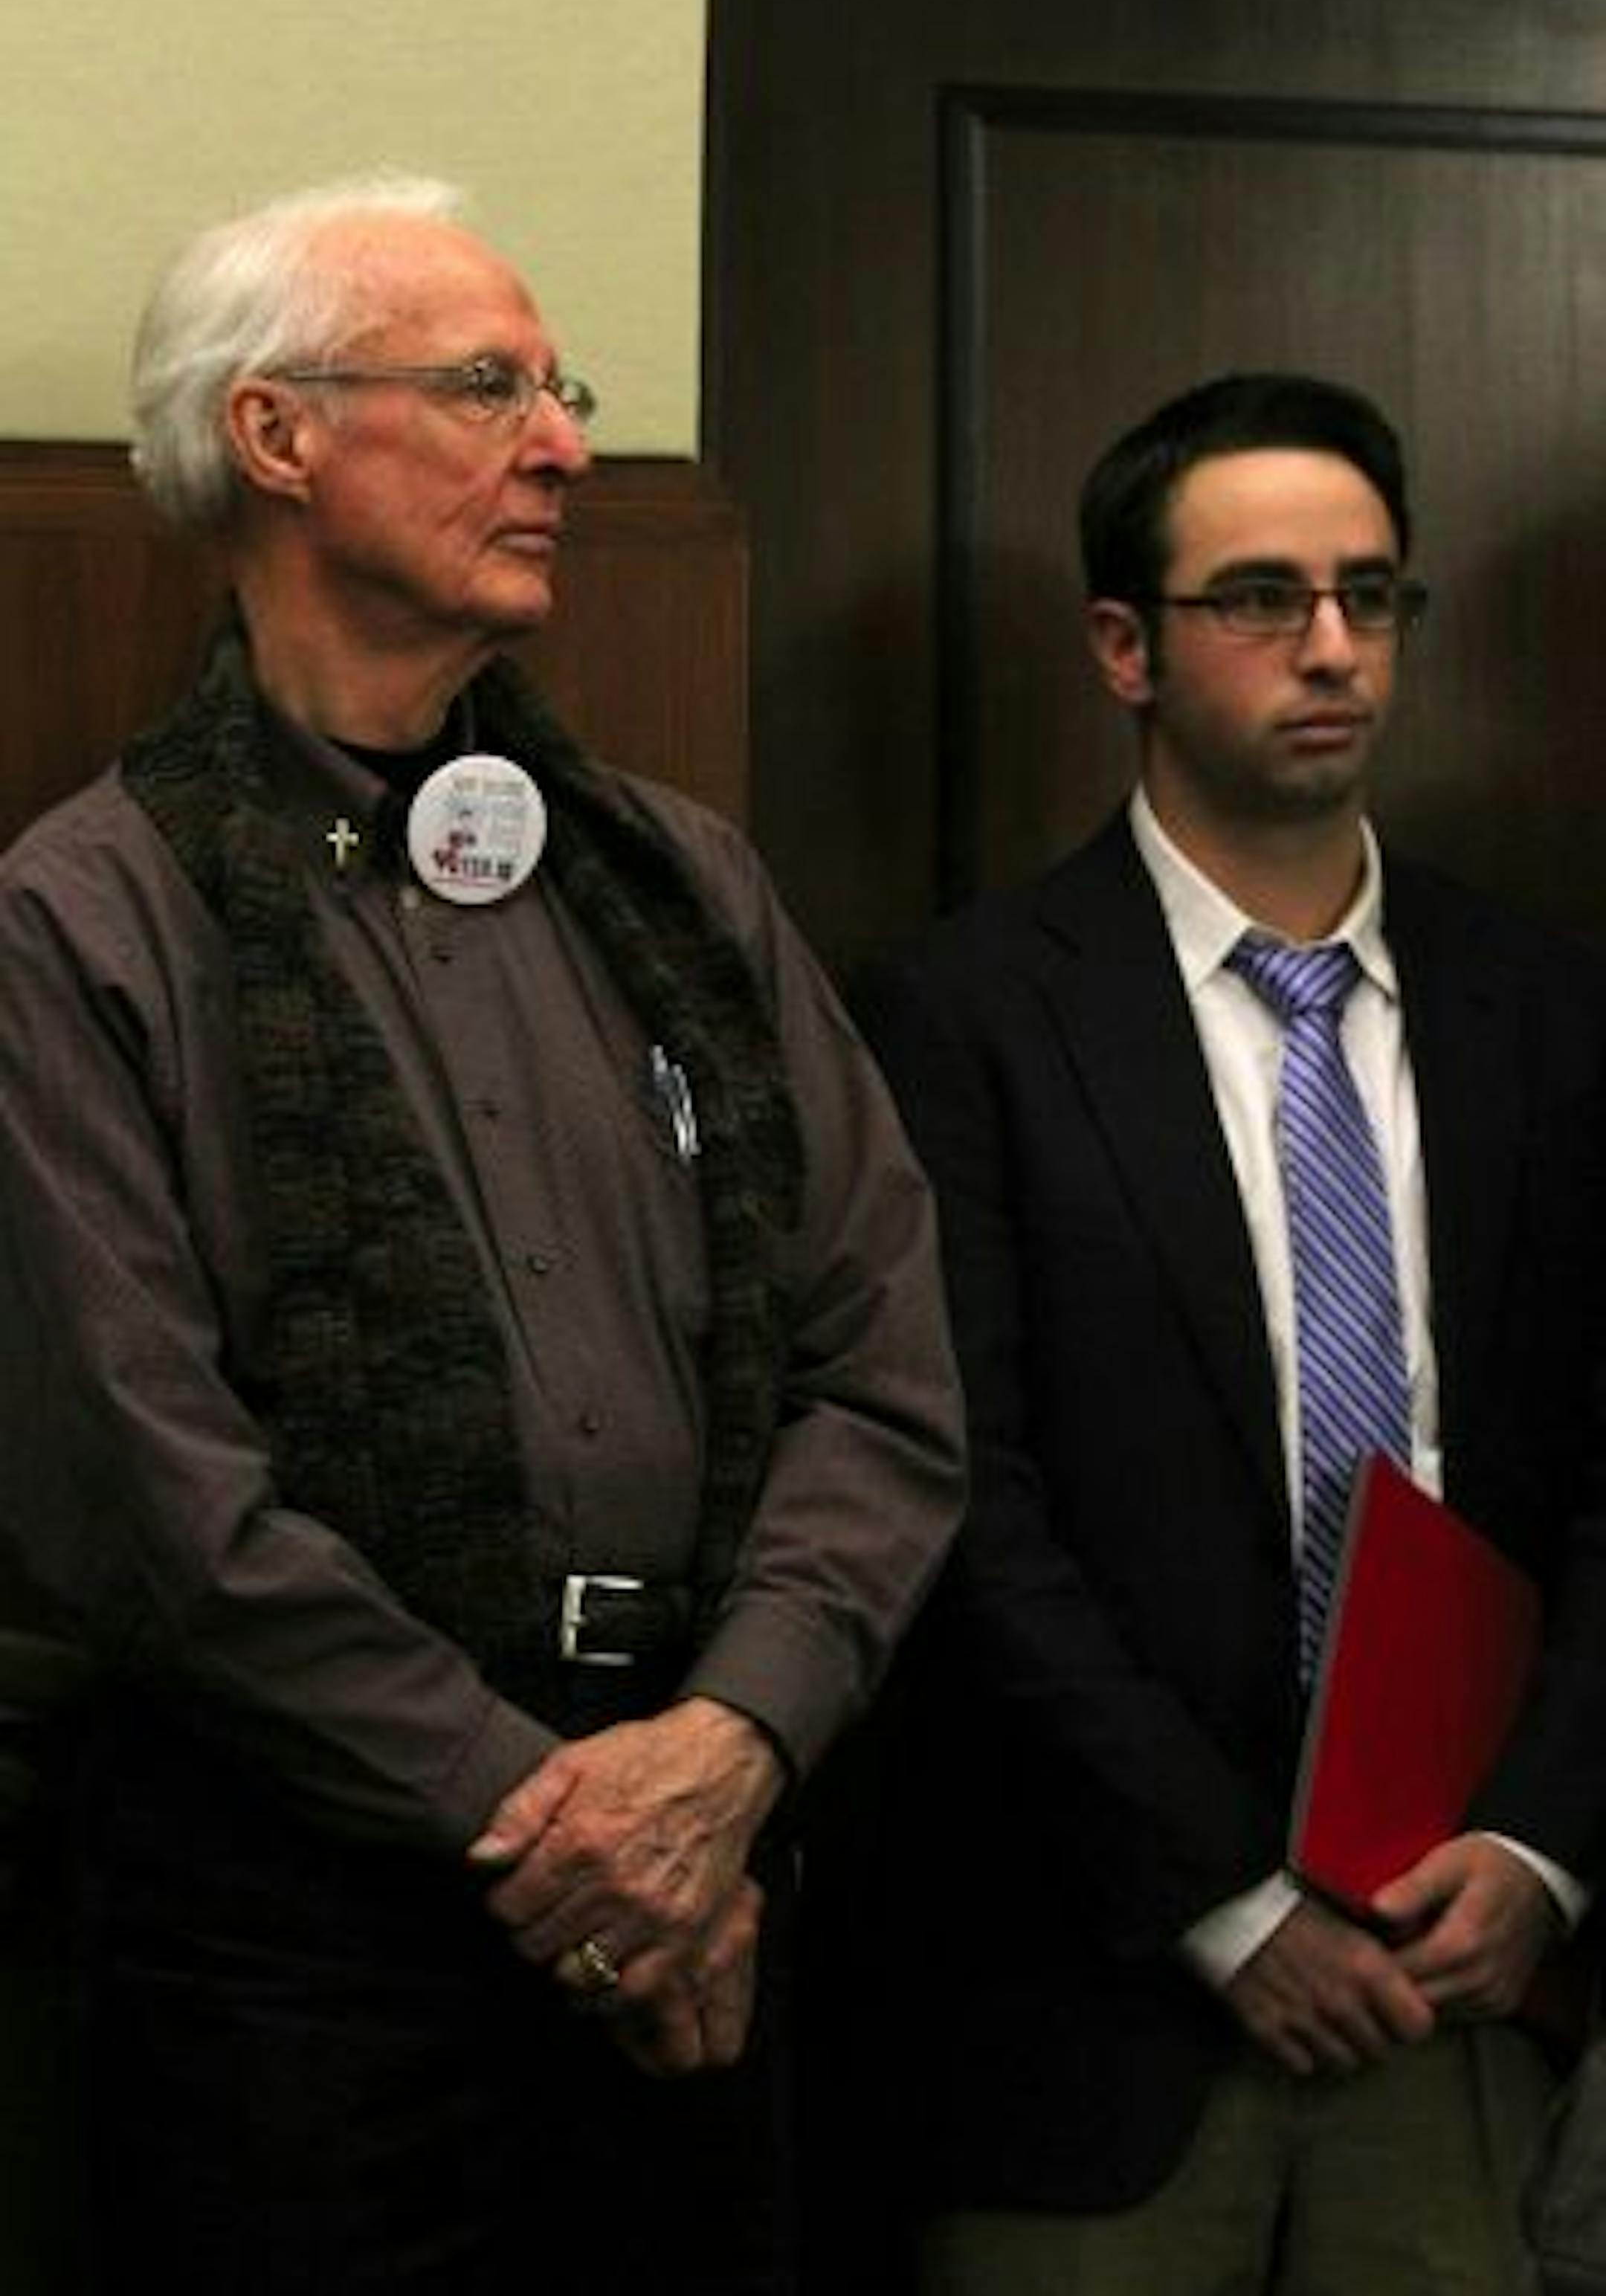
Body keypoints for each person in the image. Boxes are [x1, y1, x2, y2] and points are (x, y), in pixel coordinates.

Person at [0, 173, 965, 2296]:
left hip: (719, 1873)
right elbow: (151, 1506)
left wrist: (724, 1759)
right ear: (276, 440)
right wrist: (574, 1839)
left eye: (561, 389)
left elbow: (885, 1367)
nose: (564, 442)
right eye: (487, 385)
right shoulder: (81, 922)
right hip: (300, 1959)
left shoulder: (683, 885)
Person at [856, 373, 1606, 2292]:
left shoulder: (1540, 1002)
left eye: (1374, 594)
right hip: (1101, 1991)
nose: (1335, 647)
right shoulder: (969, 1012)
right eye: (1263, 597)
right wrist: (1223, 1893)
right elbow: (960, 1498)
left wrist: (1538, 1849)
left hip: (1458, 1984)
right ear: (1125, 644)